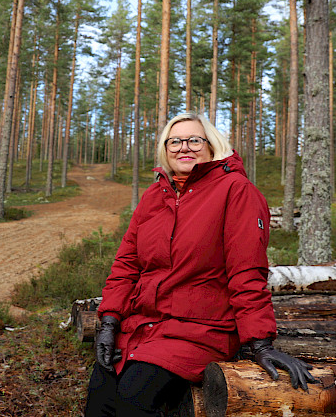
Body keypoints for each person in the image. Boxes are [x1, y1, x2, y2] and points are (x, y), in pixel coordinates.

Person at [84, 112, 316, 417]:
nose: (184, 148)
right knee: (100, 398)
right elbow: (126, 264)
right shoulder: (155, 195)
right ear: (165, 149)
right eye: (175, 141)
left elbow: (247, 271)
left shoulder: (236, 190)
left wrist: (260, 343)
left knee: (133, 398)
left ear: (211, 146)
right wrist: (110, 322)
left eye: (194, 140)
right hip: (144, 326)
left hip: (202, 329)